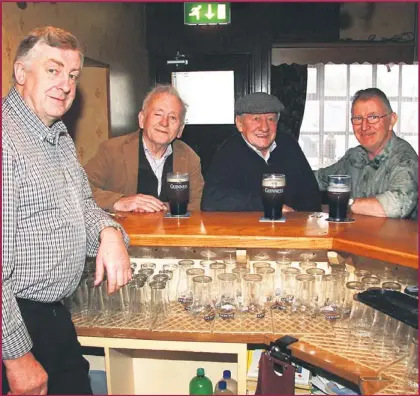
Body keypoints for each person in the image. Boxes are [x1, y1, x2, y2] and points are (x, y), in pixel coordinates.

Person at [2, 26, 132, 395]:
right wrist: (17, 358)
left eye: (73, 75)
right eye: (53, 70)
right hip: (15, 322)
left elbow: (84, 206)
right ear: (21, 73)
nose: (66, 84)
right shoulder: (6, 141)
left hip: (53, 317)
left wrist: (109, 232)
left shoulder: (56, 136)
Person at [84, 84, 204, 213]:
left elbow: (198, 205)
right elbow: (80, 189)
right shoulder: (112, 150)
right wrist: (119, 202)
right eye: (158, 114)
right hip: (123, 231)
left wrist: (163, 208)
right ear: (142, 119)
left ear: (180, 130)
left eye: (173, 118)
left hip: (172, 232)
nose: (164, 123)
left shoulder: (189, 159)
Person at [201, 92, 322, 212]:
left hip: (291, 227)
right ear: (239, 123)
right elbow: (212, 200)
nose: (264, 128)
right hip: (248, 229)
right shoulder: (228, 151)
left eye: (270, 119)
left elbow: (311, 195)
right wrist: (267, 205)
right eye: (256, 119)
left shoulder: (288, 145)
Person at [315, 88, 418, 219]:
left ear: (392, 120)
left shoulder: (405, 159)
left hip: (394, 239)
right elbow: (319, 179)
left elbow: (398, 204)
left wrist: (345, 202)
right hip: (353, 237)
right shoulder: (355, 157)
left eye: (373, 117)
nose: (364, 126)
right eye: (358, 118)